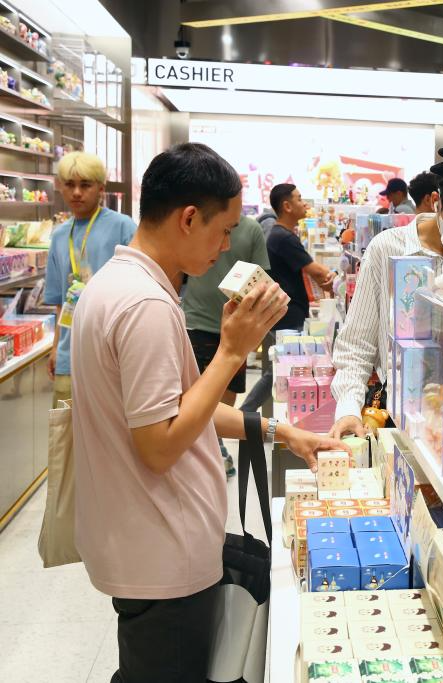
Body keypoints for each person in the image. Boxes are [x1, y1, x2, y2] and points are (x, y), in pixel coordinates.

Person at [70, 142, 347, 683]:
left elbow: (178, 408)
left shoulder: (120, 284)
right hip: (160, 554)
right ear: (188, 218)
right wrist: (231, 352)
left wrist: (279, 430)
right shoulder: (145, 306)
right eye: (223, 231)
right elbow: (159, 445)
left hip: (144, 544)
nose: (225, 248)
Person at [329, 177, 443, 438]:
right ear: (436, 202)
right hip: (398, 417)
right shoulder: (386, 248)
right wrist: (349, 409)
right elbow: (356, 345)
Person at [43, 151, 136, 407]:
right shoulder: (59, 235)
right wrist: (55, 348)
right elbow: (60, 301)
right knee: (65, 427)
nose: (76, 193)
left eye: (85, 185)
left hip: (113, 353)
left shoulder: (123, 227)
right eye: (69, 185)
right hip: (69, 354)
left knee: (112, 428)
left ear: (101, 188)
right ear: (60, 187)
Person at [182, 213, 271, 477]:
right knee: (196, 388)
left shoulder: (252, 230)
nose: (225, 244)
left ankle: (214, 440)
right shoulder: (198, 222)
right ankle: (208, 444)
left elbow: (262, 279)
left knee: (228, 389)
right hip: (197, 320)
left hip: (236, 326)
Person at [265, 183, 337, 332]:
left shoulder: (281, 234)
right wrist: (335, 278)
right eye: (299, 199)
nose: (304, 203)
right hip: (288, 316)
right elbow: (318, 272)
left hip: (285, 313)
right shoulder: (283, 238)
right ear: (287, 206)